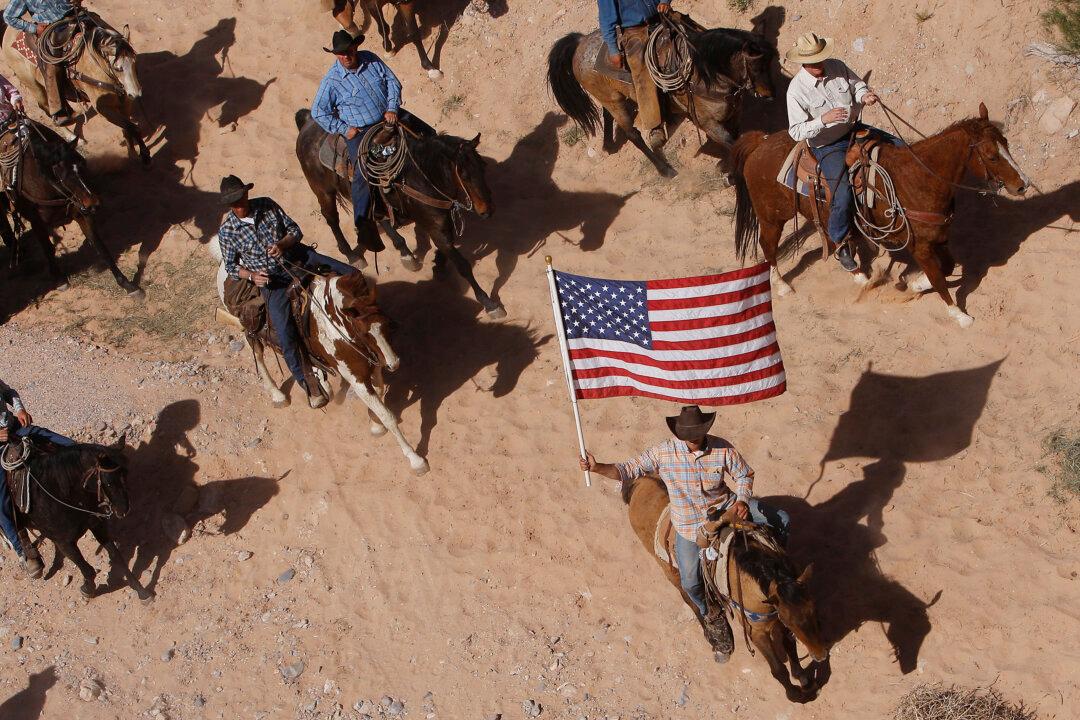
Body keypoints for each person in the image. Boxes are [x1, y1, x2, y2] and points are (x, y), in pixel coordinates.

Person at [579, 405, 789, 661]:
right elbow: (628, 470)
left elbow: (744, 474)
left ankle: (783, 575)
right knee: (690, 581)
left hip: (726, 507)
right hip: (689, 527)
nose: (692, 438)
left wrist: (742, 500)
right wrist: (597, 467)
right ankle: (712, 616)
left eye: (697, 432)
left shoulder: (722, 448)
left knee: (783, 520)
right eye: (688, 433)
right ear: (678, 432)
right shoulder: (663, 453)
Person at [216, 175, 358, 409]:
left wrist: (282, 244)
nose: (239, 206)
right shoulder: (228, 231)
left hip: (298, 257)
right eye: (234, 204)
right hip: (273, 282)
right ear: (229, 206)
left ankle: (373, 326)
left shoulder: (267, 204)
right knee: (284, 332)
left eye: (241, 200)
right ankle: (308, 384)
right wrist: (252, 276)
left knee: (352, 275)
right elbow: (232, 267)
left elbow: (295, 230)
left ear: (246, 194)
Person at [785, 32, 902, 272]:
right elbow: (796, 132)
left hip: (854, 130)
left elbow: (857, 84)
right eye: (814, 61)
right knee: (842, 194)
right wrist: (823, 119)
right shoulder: (795, 91)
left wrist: (864, 95)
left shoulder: (836, 66)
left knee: (902, 148)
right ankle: (840, 241)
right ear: (803, 63)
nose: (820, 64)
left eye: (821, 58)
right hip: (827, 145)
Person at [311, 30, 434, 244]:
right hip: (361, 131)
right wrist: (343, 128)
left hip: (390, 116)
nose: (346, 57)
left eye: (348, 51)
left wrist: (392, 108)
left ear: (355, 48)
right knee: (363, 172)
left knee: (429, 136)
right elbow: (318, 112)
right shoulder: (331, 81)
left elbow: (392, 82)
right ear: (335, 55)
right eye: (340, 54)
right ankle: (363, 225)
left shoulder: (371, 58)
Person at [0, 377, 75, 578]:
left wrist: (20, 409)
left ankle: (88, 455)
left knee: (49, 437)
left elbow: (9, 392)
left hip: (14, 428)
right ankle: (22, 550)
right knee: (1, 503)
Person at [598, 0, 671, 150]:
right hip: (635, 31)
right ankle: (655, 126)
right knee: (641, 69)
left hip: (663, 17)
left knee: (695, 36)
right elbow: (607, 18)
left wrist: (665, 1)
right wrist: (613, 49)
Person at [2, 0, 79, 124]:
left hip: (75, 15)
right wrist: (34, 28)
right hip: (51, 28)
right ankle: (58, 108)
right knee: (51, 63)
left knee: (106, 33)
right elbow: (8, 16)